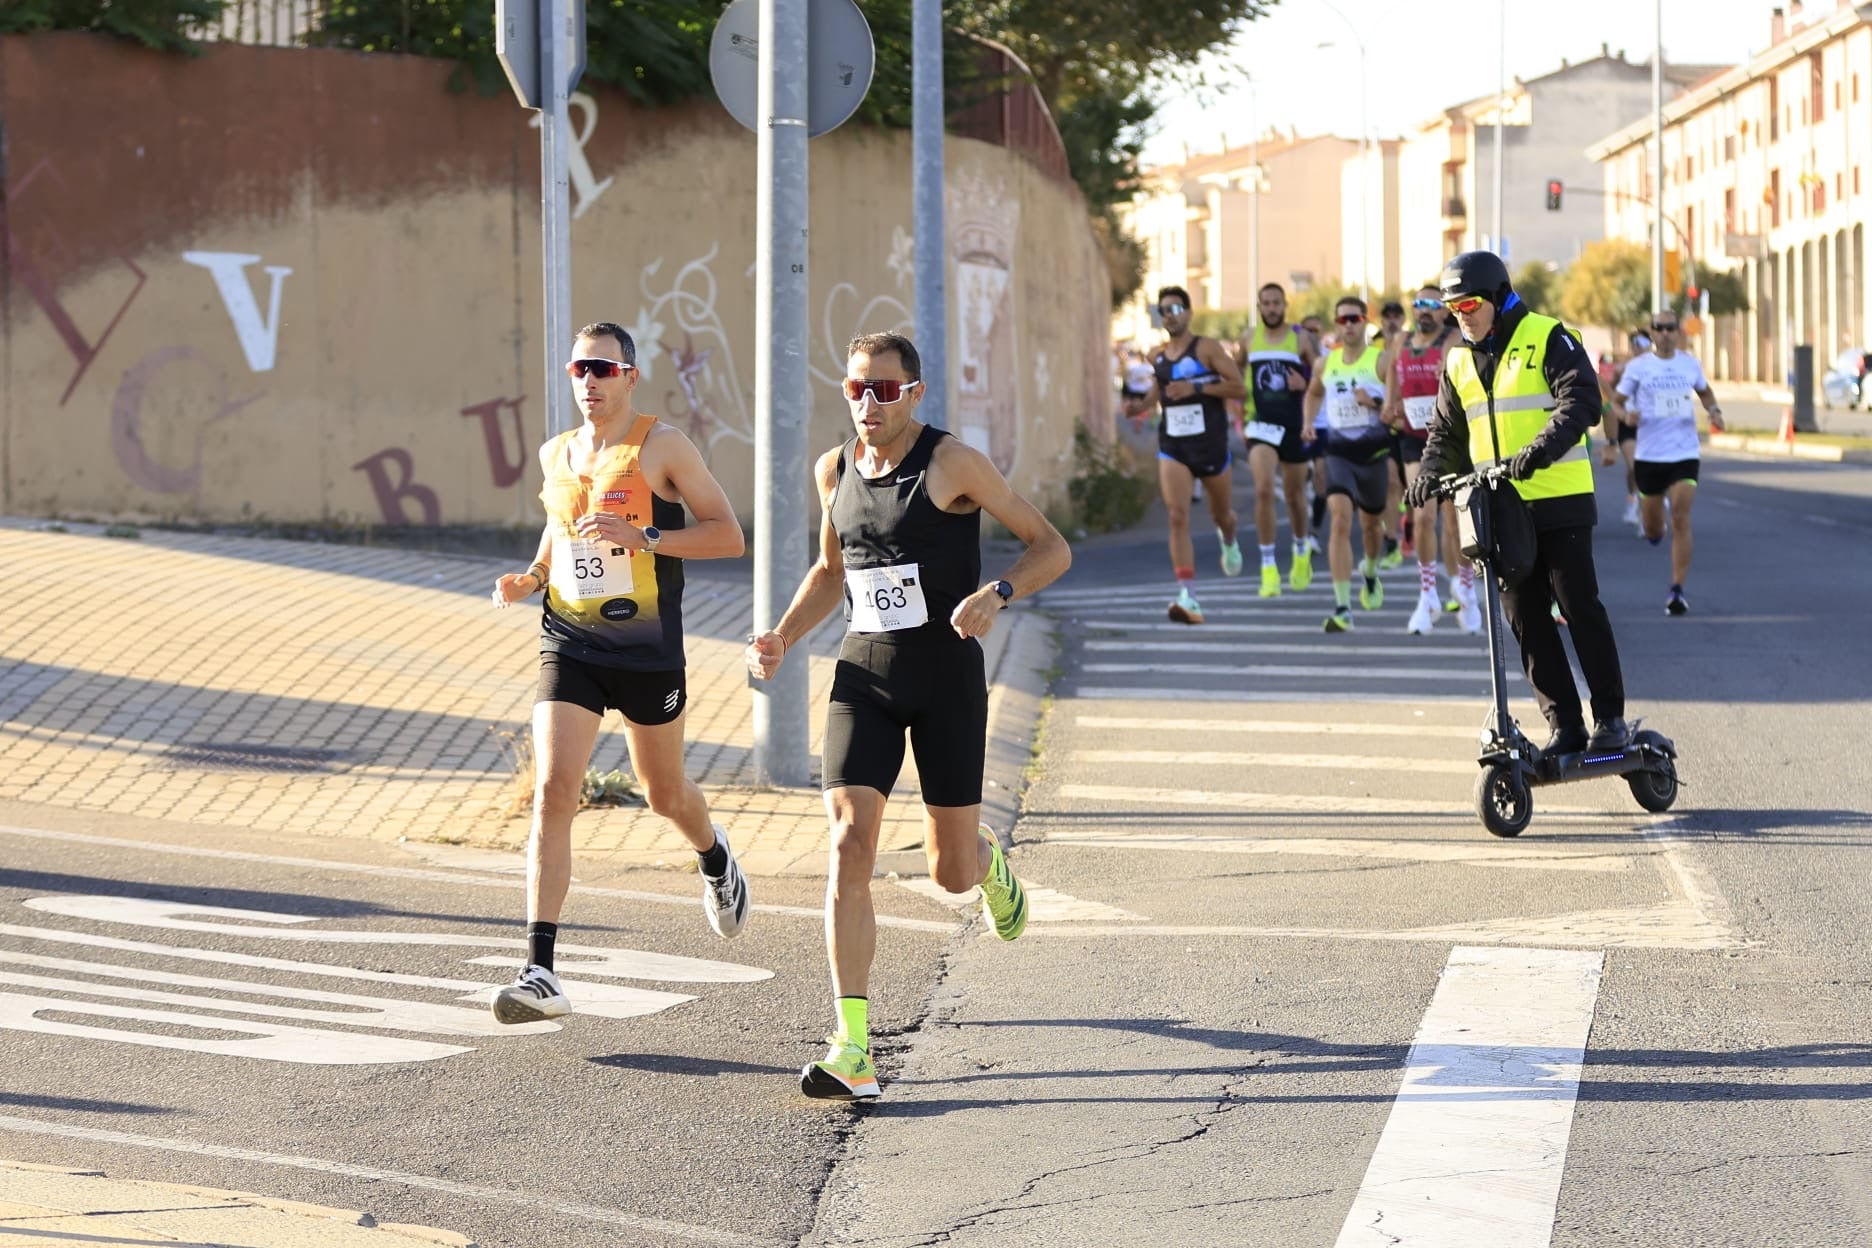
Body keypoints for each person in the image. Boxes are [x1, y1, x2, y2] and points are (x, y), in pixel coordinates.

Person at [745, 331, 1070, 1101]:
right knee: (849, 842)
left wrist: (999, 594)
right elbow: (831, 571)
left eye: (884, 390)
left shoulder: (952, 463)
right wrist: (783, 635)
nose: (868, 403)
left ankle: (987, 865)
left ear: (915, 393)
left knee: (948, 871)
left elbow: (1049, 545)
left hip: (947, 678)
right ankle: (852, 1046)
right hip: (865, 677)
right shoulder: (834, 469)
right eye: (856, 388)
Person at [488, 321, 751, 1024]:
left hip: (646, 651)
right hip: (569, 641)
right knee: (552, 790)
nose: (591, 381)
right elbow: (563, 529)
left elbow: (728, 534)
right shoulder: (558, 453)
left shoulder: (662, 447)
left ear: (631, 376)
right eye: (580, 369)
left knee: (663, 793)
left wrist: (649, 537)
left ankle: (714, 852)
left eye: (604, 369)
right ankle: (540, 970)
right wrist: (533, 576)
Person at [1407, 251, 1629, 755]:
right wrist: (1428, 474)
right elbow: (1445, 430)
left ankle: (1610, 719)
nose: (1460, 315)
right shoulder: (1457, 359)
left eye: (1468, 304)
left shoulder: (1547, 335)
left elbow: (1583, 401)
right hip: (1498, 508)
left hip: (1559, 496)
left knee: (1577, 606)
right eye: (1452, 309)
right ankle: (1565, 726)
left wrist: (1540, 451)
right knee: (1525, 617)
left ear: (1499, 297)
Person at [1145, 286, 1248, 624]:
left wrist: (1198, 388)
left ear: (1188, 313)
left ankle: (1229, 537)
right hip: (1173, 446)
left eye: (1176, 308)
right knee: (1177, 515)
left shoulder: (1207, 349)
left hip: (1211, 445)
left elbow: (1238, 387)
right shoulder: (1157, 356)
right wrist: (1137, 407)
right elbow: (1159, 393)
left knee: (1221, 515)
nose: (1170, 314)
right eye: (1165, 310)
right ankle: (1187, 594)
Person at [1612, 311, 1725, 614]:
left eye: (1670, 328)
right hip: (1649, 456)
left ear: (1678, 332)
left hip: (1684, 453)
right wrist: (1625, 417)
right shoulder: (1638, 367)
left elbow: (1704, 391)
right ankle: (1653, 530)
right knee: (1652, 528)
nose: (1664, 333)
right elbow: (1616, 403)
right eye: (1658, 328)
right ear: (1651, 332)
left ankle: (1677, 589)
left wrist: (1714, 411)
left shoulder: (1690, 364)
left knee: (1680, 515)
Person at [1383, 287, 1480, 634]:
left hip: (1452, 441)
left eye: (1431, 305)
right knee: (1422, 517)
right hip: (1413, 439)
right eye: (1418, 304)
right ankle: (1427, 594)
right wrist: (1390, 401)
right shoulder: (1402, 341)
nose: (1423, 310)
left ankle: (1466, 586)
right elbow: (1394, 371)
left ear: (1444, 311)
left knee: (1454, 521)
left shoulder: (1453, 340)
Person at [1304, 296, 1391, 633]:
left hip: (1374, 456)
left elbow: (1394, 405)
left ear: (1364, 322)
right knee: (1340, 521)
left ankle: (1369, 571)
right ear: (1336, 325)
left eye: (1355, 318)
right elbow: (1313, 393)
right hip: (1338, 453)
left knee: (1371, 528)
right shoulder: (1325, 365)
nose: (1349, 325)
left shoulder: (1380, 360)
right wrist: (1308, 422)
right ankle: (1342, 607)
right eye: (1342, 320)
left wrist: (1375, 401)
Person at [1238, 283, 1320, 596]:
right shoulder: (1248, 338)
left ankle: (1301, 551)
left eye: (1276, 303)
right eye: (1266, 303)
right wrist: (1239, 406)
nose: (1271, 308)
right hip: (1261, 425)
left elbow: (1321, 375)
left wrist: (1306, 381)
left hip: (1294, 425)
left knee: (1295, 496)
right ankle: (1268, 567)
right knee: (1263, 491)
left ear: (1284, 305)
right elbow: (1236, 372)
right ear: (1259, 307)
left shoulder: (1299, 338)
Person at [1601, 330, 1652, 530]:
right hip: (1628, 423)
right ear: (1632, 346)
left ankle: (1644, 505)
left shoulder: (1658, 368)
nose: (1640, 346)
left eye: (1644, 342)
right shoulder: (1624, 368)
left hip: (1651, 425)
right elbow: (1612, 395)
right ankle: (1635, 503)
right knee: (1635, 466)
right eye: (1636, 343)